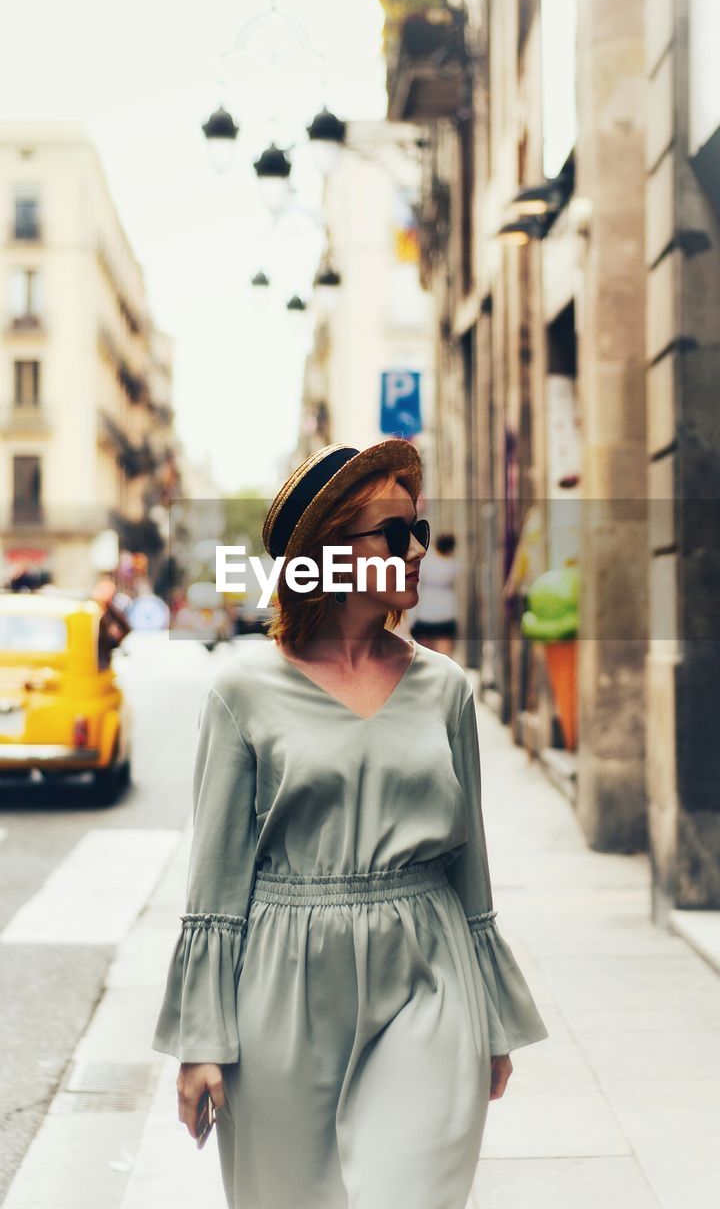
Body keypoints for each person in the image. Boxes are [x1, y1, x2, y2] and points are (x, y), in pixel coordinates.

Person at [152, 441, 548, 1209]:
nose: (417, 552)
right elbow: (217, 876)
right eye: (394, 535)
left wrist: (494, 1014)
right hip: (282, 977)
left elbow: (471, 864)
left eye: (420, 531)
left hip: (428, 969)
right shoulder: (242, 691)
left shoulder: (446, 689)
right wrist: (202, 1038)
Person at [409, 531, 461, 656]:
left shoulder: (426, 562)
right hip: (446, 613)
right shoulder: (454, 566)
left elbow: (419, 587)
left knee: (426, 656)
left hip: (425, 613)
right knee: (445, 656)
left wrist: (411, 618)